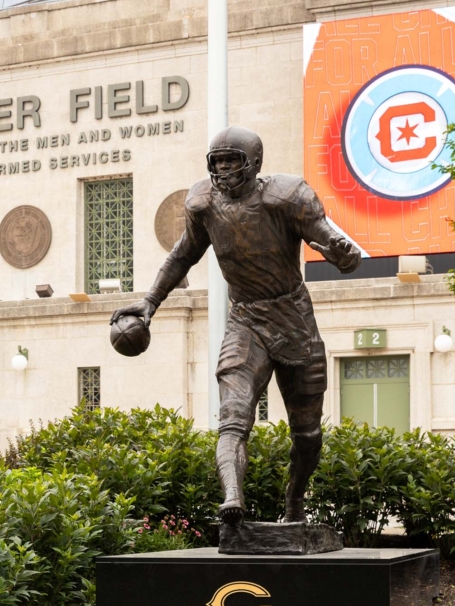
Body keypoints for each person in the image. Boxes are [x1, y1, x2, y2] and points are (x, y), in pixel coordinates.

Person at [111, 126, 361, 525]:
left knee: (307, 435)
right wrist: (150, 302)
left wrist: (343, 254)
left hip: (294, 319)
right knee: (233, 416)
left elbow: (329, 243)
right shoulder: (203, 204)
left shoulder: (287, 196)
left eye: (232, 160)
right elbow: (181, 257)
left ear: (255, 163)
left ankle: (294, 501)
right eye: (218, 161)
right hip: (245, 319)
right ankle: (232, 498)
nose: (224, 168)